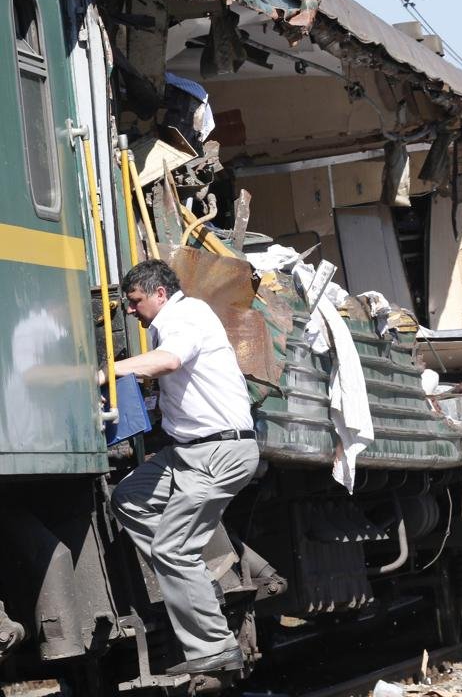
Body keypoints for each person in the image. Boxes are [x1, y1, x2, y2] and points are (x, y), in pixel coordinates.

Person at [98, 259, 258, 676]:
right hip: (190, 452)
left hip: (217, 453)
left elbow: (168, 361)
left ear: (159, 295)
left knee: (173, 548)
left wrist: (106, 372)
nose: (130, 311)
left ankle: (216, 646)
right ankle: (196, 584)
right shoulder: (174, 317)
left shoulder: (183, 316)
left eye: (134, 302)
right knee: (129, 497)